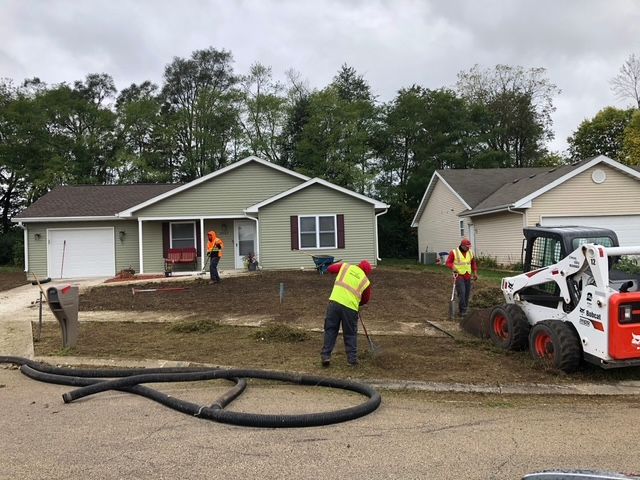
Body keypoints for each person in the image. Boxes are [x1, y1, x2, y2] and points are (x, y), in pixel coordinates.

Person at [320, 259, 372, 367]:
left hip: (334, 303)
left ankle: (326, 356)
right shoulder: (365, 280)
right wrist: (358, 303)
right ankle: (352, 360)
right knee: (350, 334)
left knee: (330, 329)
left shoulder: (346, 267)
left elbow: (330, 269)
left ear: (358, 265)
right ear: (366, 272)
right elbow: (366, 299)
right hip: (350, 309)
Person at [445, 238, 478, 316]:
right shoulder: (454, 252)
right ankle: (463, 311)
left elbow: (473, 264)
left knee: (467, 293)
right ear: (462, 245)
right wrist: (453, 268)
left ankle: (464, 309)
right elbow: (448, 263)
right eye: (467, 246)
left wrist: (475, 273)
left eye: (469, 246)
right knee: (462, 293)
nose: (468, 248)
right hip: (458, 276)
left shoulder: (470, 253)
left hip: (468, 275)